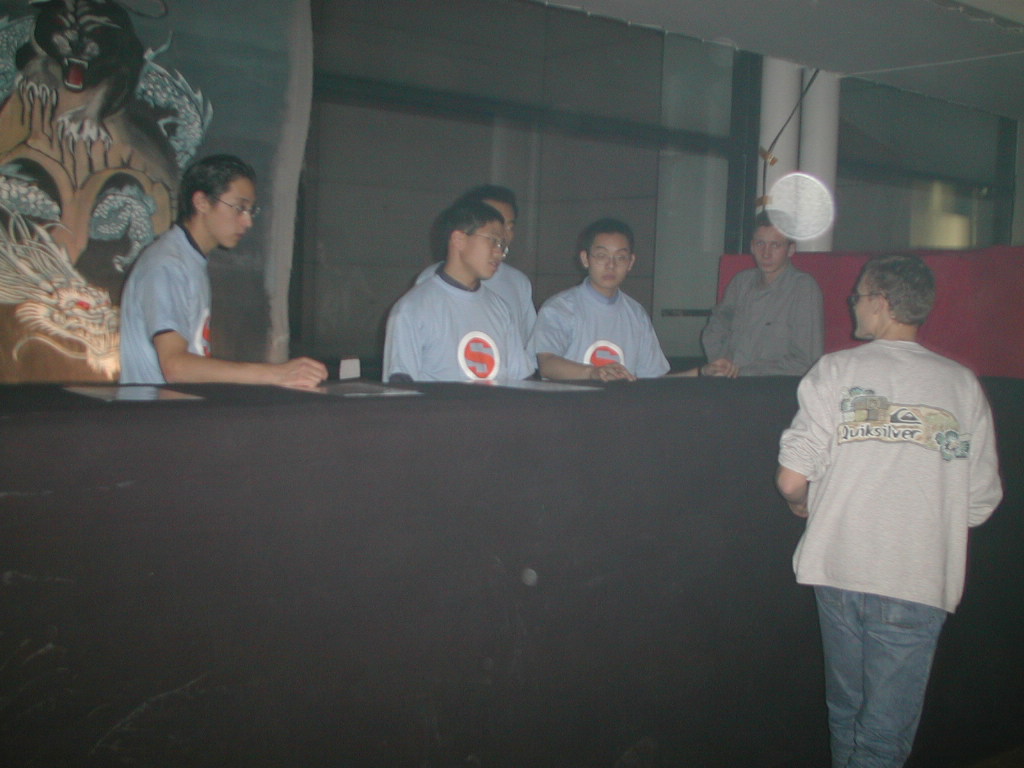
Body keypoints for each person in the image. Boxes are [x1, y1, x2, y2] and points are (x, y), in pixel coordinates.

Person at [776, 253, 1002, 768]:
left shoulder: (836, 370)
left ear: (880, 303)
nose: (852, 303)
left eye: (858, 295)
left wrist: (801, 503)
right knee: (882, 736)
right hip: (914, 577)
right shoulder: (962, 385)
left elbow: (791, 478)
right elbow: (980, 500)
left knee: (846, 712)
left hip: (838, 567)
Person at [119, 154, 326, 389]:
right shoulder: (166, 265)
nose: (247, 221)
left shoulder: (188, 258)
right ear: (202, 202)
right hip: (155, 411)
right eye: (239, 208)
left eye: (251, 211)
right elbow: (175, 366)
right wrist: (276, 374)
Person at [529, 218, 720, 381]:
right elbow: (547, 364)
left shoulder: (636, 314)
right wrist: (593, 373)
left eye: (620, 257)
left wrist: (701, 372)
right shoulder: (560, 308)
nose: (611, 265)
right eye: (602, 256)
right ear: (585, 259)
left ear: (631, 262)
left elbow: (653, 380)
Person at [383, 200, 535, 383]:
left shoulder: (500, 308)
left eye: (502, 246)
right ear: (459, 239)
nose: (499, 253)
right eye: (493, 241)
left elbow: (522, 378)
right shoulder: (413, 308)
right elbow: (400, 387)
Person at [702, 210, 823, 377]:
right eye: (760, 244)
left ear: (790, 249)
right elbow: (716, 328)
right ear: (752, 246)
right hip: (726, 379)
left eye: (775, 245)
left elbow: (806, 361)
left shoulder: (803, 288)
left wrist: (741, 372)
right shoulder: (741, 282)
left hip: (772, 385)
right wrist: (721, 364)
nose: (766, 254)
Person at [415, 185, 536, 344]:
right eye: (495, 223)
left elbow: (527, 344)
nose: (503, 234)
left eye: (509, 227)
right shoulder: (431, 280)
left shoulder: (517, 282)